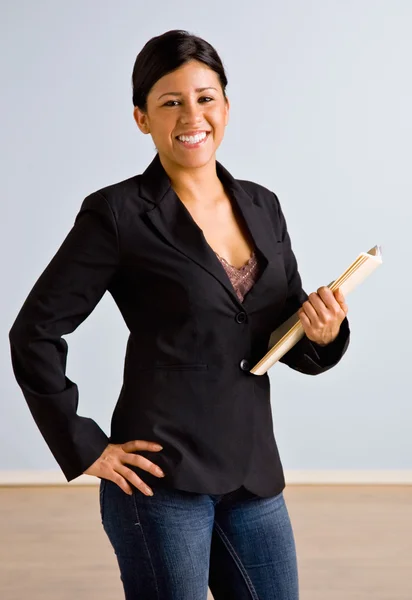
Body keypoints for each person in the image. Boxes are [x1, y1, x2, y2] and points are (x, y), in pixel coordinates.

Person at [8, 29, 350, 600]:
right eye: (171, 102)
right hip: (160, 481)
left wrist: (325, 331)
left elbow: (281, 331)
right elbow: (35, 332)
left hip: (253, 473)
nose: (192, 115)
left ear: (226, 106)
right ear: (142, 118)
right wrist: (83, 444)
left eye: (205, 97)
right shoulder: (117, 214)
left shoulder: (263, 205)